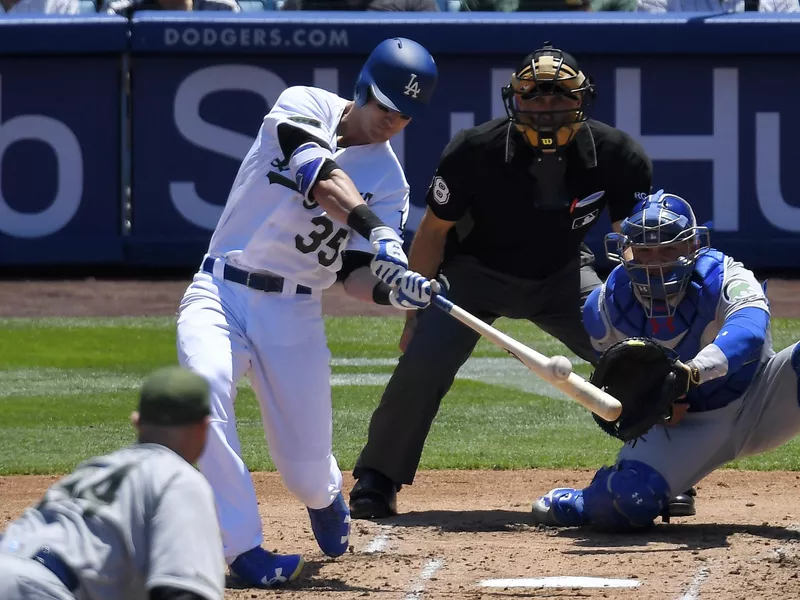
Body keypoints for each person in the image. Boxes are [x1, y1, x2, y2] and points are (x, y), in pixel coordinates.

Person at [348, 41, 693, 520]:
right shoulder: (473, 151)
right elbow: (431, 235)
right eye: (534, 98)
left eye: (557, 98)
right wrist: (413, 315)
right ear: (515, 100)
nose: (545, 110)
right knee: (423, 362)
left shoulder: (619, 155)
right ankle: (377, 478)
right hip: (472, 277)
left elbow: (633, 248)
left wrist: (645, 325)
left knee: (643, 361)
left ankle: (666, 471)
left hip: (565, 275)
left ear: (581, 100)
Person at [175, 38, 437, 588]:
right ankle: (243, 548)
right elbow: (317, 174)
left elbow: (353, 278)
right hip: (219, 290)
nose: (391, 121)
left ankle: (324, 495)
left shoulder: (391, 182)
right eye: (384, 107)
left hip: (292, 315)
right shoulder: (305, 103)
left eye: (403, 115)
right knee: (202, 395)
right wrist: (380, 231)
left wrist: (396, 292)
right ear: (363, 89)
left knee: (305, 472)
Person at [529, 190, 800, 532]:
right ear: (626, 252)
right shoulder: (604, 308)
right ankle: (587, 500)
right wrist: (652, 410)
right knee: (620, 504)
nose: (654, 262)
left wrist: (693, 372)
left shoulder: (727, 276)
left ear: (692, 247)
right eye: (643, 251)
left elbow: (749, 332)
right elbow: (622, 392)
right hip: (685, 428)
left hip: (762, 398)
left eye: (668, 249)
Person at [0, 366, 225, 600]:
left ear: (137, 422)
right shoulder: (179, 479)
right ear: (204, 427)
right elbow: (183, 593)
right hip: (37, 590)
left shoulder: (94, 468)